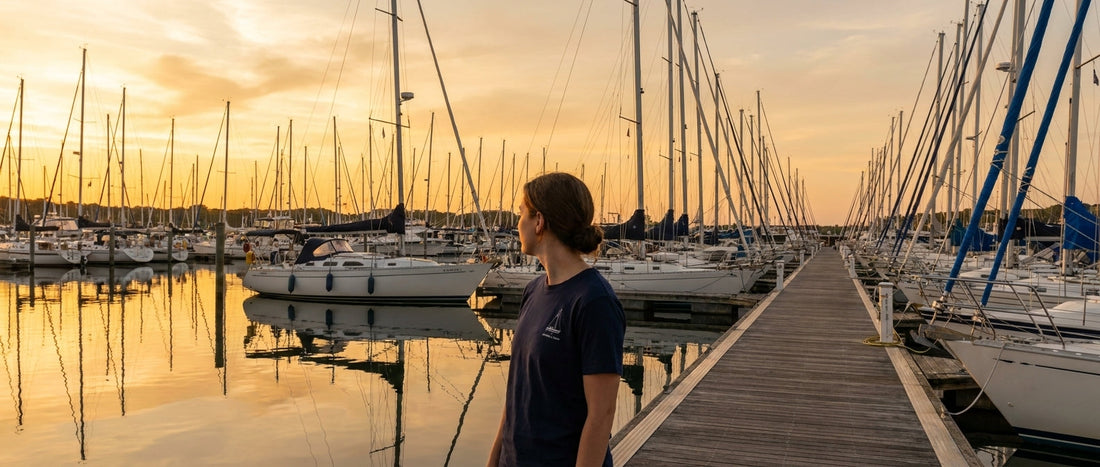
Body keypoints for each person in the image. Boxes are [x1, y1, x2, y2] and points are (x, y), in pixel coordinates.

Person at [488, 172, 625, 467]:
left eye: (521, 213)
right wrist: (494, 458)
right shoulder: (533, 290)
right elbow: (518, 392)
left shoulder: (594, 301)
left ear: (539, 221)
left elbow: (601, 416)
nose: (517, 223)